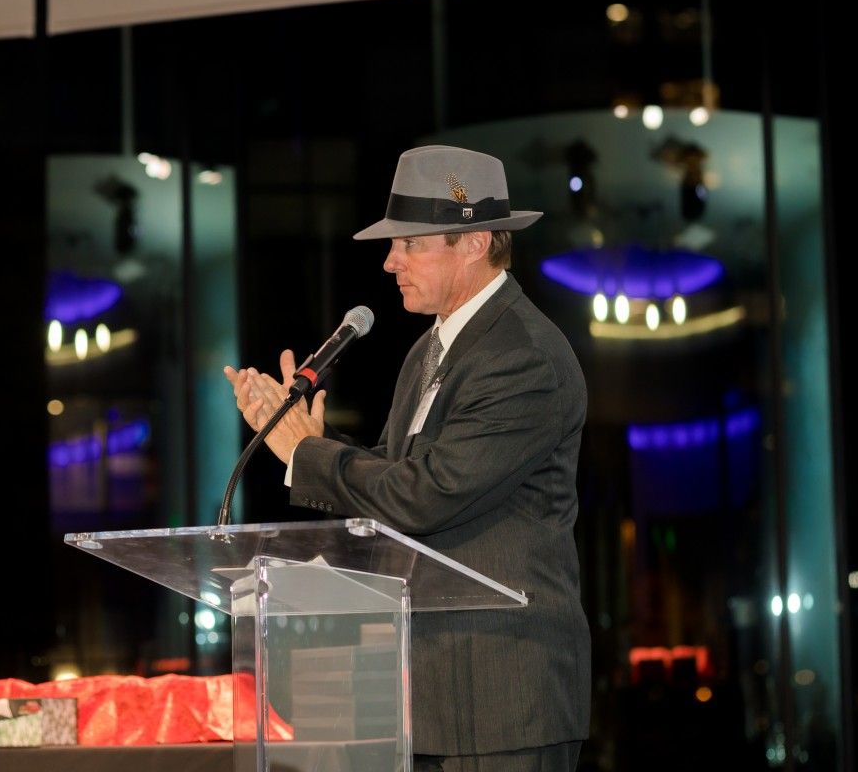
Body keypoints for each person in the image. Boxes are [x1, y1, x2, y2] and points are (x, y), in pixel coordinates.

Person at [224, 144, 590, 772]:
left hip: (502, 699)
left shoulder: (521, 357)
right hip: (429, 696)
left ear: (474, 243)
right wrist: (309, 443)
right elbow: (400, 474)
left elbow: (426, 495)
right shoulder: (431, 349)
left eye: (409, 244)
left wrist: (308, 453)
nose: (390, 261)